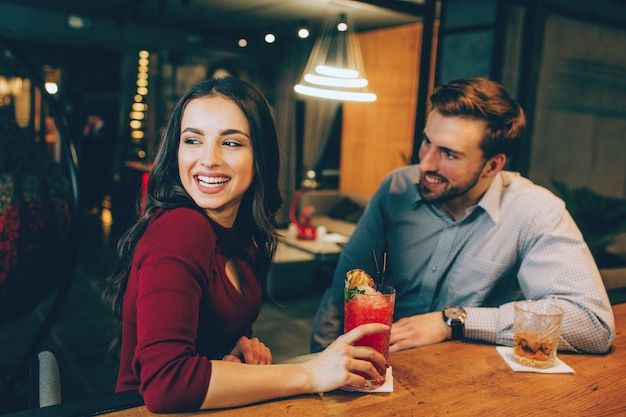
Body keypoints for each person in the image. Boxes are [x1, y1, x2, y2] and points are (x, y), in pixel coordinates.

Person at [103, 77, 388, 413]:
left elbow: (202, 347)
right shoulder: (180, 229)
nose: (208, 159)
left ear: (260, 155)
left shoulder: (241, 233)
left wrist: (235, 351)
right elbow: (167, 385)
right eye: (192, 139)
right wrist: (310, 373)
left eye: (232, 143)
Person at [311, 77, 615, 355]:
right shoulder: (396, 188)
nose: (426, 164)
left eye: (449, 154)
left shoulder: (535, 211)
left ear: (492, 166)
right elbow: (343, 290)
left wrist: (454, 321)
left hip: (467, 380)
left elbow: (593, 324)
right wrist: (319, 361)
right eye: (427, 142)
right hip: (378, 366)